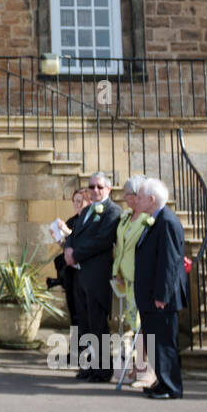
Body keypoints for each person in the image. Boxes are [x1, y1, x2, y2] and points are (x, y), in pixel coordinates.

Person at [64, 171, 122, 381]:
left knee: (98, 324)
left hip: (97, 276)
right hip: (80, 275)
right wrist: (68, 249)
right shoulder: (87, 210)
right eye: (92, 186)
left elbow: (103, 240)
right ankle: (89, 366)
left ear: (108, 189)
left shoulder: (113, 211)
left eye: (99, 187)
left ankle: (103, 369)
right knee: (85, 324)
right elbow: (74, 233)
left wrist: (76, 254)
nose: (95, 190)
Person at [133, 178, 187, 399]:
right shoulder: (156, 219)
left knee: (164, 343)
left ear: (151, 199)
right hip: (150, 295)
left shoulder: (167, 221)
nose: (136, 200)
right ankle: (161, 381)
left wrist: (162, 295)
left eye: (140, 197)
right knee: (154, 341)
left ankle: (171, 386)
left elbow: (170, 262)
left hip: (161, 297)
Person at [111, 175, 154, 388]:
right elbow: (120, 247)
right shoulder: (126, 217)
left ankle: (147, 370)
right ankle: (136, 367)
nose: (125, 198)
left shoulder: (148, 220)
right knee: (132, 322)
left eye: (128, 194)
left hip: (141, 277)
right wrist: (116, 270)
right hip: (125, 277)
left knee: (143, 326)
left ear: (138, 196)